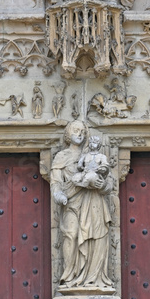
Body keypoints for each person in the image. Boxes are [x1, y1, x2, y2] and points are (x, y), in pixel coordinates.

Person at [50, 121, 113, 289]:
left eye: (83, 131)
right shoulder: (61, 157)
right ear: (67, 134)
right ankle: (70, 278)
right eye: (75, 130)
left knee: (97, 238)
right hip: (71, 202)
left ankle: (92, 280)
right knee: (71, 234)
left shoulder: (94, 155)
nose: (80, 134)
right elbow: (55, 183)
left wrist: (102, 186)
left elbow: (109, 183)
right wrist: (58, 194)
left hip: (93, 202)